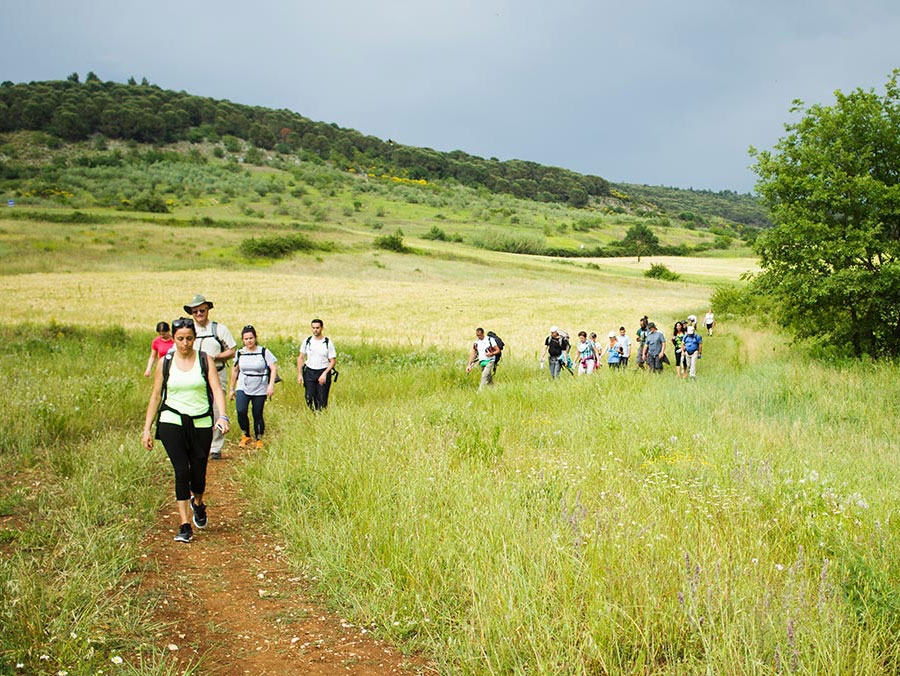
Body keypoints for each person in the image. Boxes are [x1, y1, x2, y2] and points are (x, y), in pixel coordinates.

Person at [141, 317, 230, 543]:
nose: (184, 343)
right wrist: (147, 429)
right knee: (181, 471)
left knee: (198, 475)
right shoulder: (166, 362)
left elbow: (216, 389)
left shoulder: (204, 360)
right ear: (174, 338)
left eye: (189, 338)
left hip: (200, 422)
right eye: (180, 339)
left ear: (195, 338)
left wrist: (223, 416)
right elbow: (156, 395)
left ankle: (198, 504)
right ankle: (184, 524)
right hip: (172, 420)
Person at [183, 294, 236, 459]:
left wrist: (215, 358)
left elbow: (232, 350)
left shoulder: (219, 329)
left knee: (215, 409)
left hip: (218, 372)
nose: (199, 314)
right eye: (195, 311)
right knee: (194, 408)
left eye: (202, 310)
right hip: (194, 374)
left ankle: (215, 448)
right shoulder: (189, 330)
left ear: (208, 310)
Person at [229, 325, 277, 449]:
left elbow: (273, 367)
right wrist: (231, 389)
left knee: (257, 413)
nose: (249, 341)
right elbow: (235, 371)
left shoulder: (263, 351)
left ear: (255, 338)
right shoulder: (240, 353)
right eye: (246, 339)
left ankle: (259, 437)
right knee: (241, 410)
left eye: (251, 338)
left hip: (260, 386)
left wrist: (270, 385)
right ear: (242, 340)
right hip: (243, 385)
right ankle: (246, 434)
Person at [297, 318, 337, 410]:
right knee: (309, 397)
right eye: (313, 328)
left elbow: (333, 361)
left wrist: (325, 373)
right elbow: (300, 357)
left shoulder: (327, 343)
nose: (315, 330)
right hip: (310, 371)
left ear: (322, 328)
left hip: (323, 371)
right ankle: (313, 413)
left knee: (322, 398)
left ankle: (320, 415)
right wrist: (299, 374)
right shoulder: (307, 341)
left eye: (317, 328)